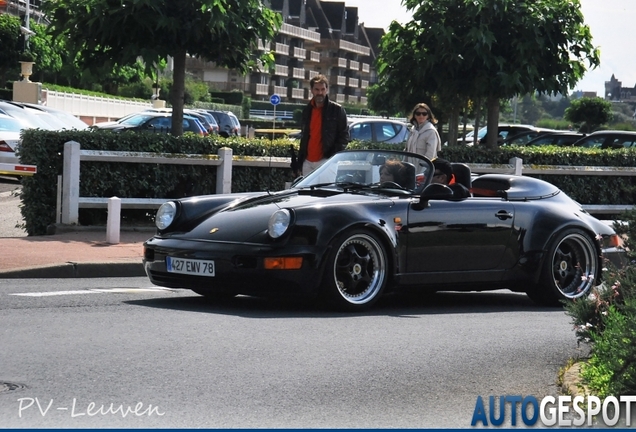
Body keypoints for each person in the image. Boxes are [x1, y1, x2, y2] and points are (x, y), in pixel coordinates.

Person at [295, 74, 349, 177]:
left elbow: (344, 136)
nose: (320, 93)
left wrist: (332, 157)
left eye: (322, 89)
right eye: (317, 89)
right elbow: (305, 136)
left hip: (327, 161)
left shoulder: (337, 110)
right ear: (311, 90)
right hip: (307, 162)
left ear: (327, 90)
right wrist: (300, 161)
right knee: (306, 193)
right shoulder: (307, 110)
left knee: (326, 192)